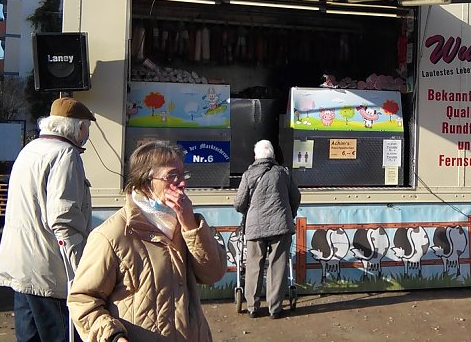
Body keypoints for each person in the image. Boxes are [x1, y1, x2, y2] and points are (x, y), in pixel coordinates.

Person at [67, 141, 227, 342]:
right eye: (171, 176)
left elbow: (214, 273)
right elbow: (83, 300)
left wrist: (190, 226)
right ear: (144, 183)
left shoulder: (184, 223)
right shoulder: (112, 235)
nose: (182, 183)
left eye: (182, 174)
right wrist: (113, 337)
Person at [0, 97, 96, 342]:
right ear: (78, 127)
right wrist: (80, 270)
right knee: (60, 335)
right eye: (87, 129)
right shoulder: (66, 155)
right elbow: (63, 219)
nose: (86, 136)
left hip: (20, 265)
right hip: (49, 271)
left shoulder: (30, 149)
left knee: (29, 337)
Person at [234, 139, 301, 319]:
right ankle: (275, 308)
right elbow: (296, 197)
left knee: (254, 265)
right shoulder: (284, 173)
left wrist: (248, 212)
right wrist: (290, 214)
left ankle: (252, 307)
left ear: (256, 156)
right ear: (272, 155)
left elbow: (239, 203)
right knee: (278, 266)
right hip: (281, 226)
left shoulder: (248, 175)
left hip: (255, 227)